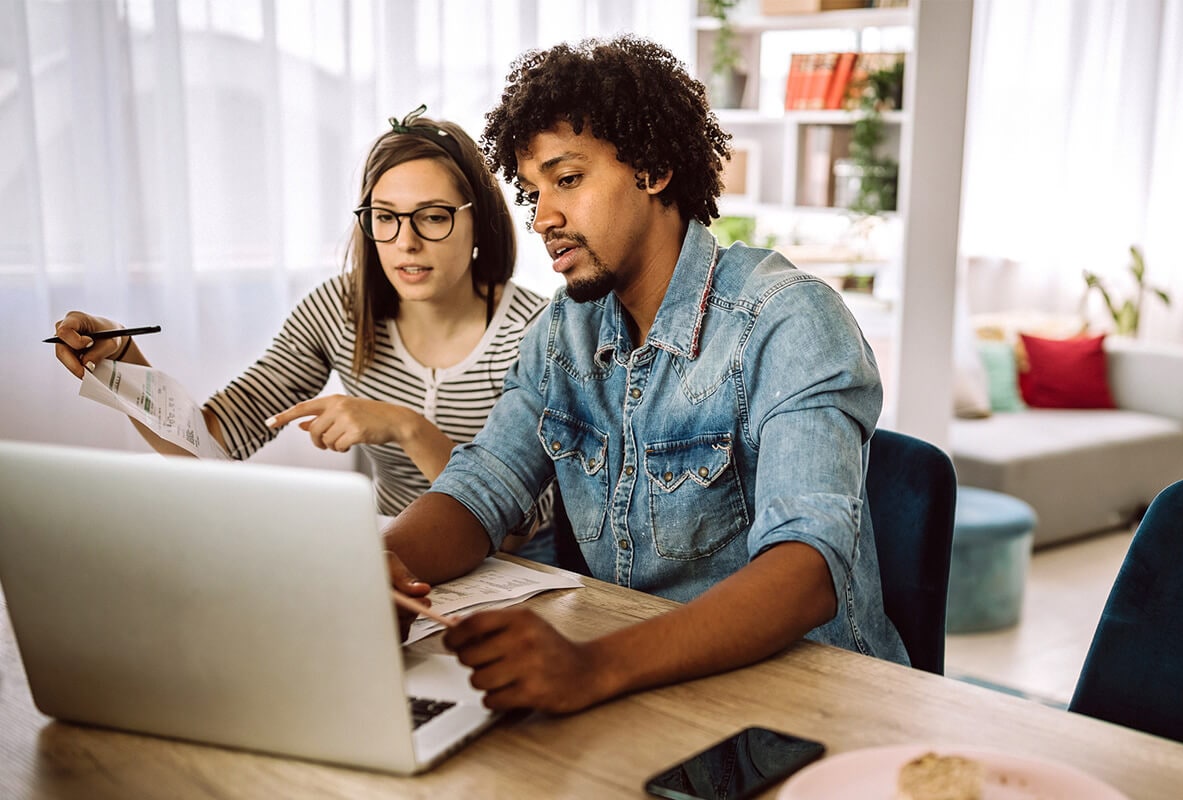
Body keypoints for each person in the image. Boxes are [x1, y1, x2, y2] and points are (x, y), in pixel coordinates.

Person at [383, 35, 908, 714]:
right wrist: (379, 566)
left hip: (812, 708)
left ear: (655, 168)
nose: (543, 218)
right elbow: (483, 485)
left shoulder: (787, 321)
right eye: (534, 191)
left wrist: (592, 669)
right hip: (650, 690)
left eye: (567, 179)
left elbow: (807, 568)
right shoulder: (562, 333)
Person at [49, 107, 554, 557]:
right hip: (391, 563)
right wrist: (122, 358)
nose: (406, 242)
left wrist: (406, 426)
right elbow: (208, 443)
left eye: (433, 217)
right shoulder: (337, 309)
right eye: (385, 218)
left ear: (478, 223)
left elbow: (519, 528)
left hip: (516, 573)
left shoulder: (537, 330)